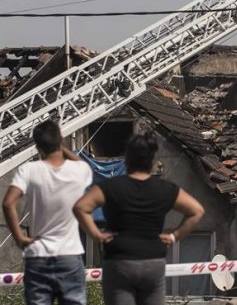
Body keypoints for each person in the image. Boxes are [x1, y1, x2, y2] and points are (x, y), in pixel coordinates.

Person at [73, 132, 204, 305]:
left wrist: (96, 234)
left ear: (126, 159)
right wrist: (174, 236)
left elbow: (80, 207)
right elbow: (197, 211)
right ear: (151, 161)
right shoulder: (165, 189)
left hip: (120, 261)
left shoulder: (110, 187)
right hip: (153, 261)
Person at [2, 120, 93, 305]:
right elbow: (82, 164)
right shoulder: (80, 171)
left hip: (38, 256)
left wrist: (20, 238)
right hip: (69, 254)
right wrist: (62, 146)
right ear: (60, 140)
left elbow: (8, 203)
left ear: (37, 147)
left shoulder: (29, 170)